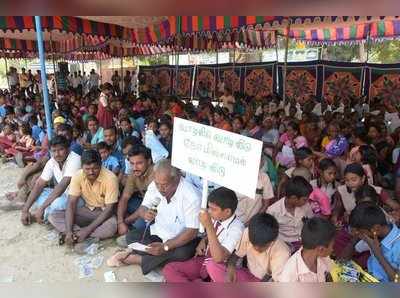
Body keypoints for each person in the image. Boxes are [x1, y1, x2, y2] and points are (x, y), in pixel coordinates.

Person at [106, 159, 201, 276]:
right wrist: (145, 213)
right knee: (132, 236)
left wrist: (165, 247)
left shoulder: (191, 196)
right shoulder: (155, 186)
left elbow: (192, 232)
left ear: (177, 179)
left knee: (183, 253)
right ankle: (152, 255)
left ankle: (136, 259)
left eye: (165, 185)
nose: (160, 189)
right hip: (159, 233)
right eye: (157, 184)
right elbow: (142, 208)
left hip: (179, 241)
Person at [162, 187, 244, 282]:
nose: (209, 211)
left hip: (220, 269)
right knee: (169, 269)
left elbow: (218, 258)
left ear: (227, 212)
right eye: (209, 207)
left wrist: (208, 226)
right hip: (204, 261)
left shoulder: (237, 228)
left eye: (213, 209)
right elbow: (213, 234)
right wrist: (204, 240)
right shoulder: (216, 217)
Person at [48, 150, 119, 251]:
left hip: (103, 213)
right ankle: (76, 234)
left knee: (111, 228)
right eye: (87, 169)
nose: (91, 172)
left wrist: (87, 230)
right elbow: (71, 203)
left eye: (95, 168)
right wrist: (68, 231)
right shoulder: (78, 175)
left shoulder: (110, 178)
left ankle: (80, 234)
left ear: (101, 164)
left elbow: (109, 210)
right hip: (86, 210)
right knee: (53, 216)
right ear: (82, 167)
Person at [207, 213, 290, 282]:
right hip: (248, 275)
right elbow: (236, 255)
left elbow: (275, 281)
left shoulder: (282, 252)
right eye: (253, 244)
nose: (256, 249)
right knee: (212, 265)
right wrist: (231, 267)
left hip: (263, 283)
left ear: (272, 241)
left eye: (261, 247)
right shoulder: (248, 232)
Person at [20, 136, 81, 225]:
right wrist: (25, 210)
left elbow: (62, 185)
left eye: (60, 150)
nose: (57, 154)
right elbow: (39, 184)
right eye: (54, 151)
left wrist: (42, 208)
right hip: (64, 194)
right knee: (38, 192)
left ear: (68, 149)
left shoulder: (75, 159)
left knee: (57, 203)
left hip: (77, 198)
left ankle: (42, 215)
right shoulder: (52, 161)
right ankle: (45, 213)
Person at [349, 204, 400, 282]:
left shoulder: (397, 244)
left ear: (375, 229)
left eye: (361, 233)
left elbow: (396, 281)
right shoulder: (376, 236)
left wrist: (378, 253)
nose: (360, 236)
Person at [276, 217, 336, 282]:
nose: (332, 249)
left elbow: (330, 272)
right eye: (332, 246)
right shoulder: (290, 276)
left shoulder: (323, 257)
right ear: (321, 249)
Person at [267, 176, 314, 252]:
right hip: (284, 247)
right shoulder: (273, 211)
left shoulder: (306, 206)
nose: (307, 201)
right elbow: (270, 235)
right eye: (304, 199)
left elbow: (310, 223)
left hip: (303, 244)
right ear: (293, 198)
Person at [117, 145, 154, 237]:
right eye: (132, 163)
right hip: (142, 202)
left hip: (155, 208)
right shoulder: (134, 172)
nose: (135, 167)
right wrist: (120, 222)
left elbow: (146, 205)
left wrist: (125, 221)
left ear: (148, 161)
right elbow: (125, 197)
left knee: (139, 225)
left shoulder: (154, 174)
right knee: (122, 202)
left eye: (139, 163)